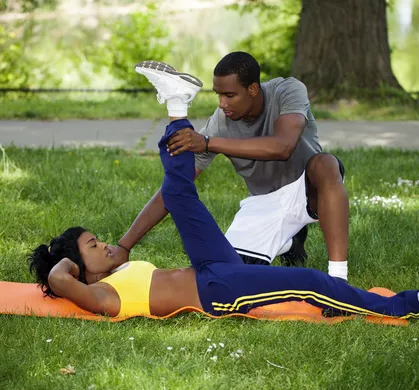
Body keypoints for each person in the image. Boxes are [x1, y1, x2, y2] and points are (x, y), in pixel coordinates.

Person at [28, 116, 419, 322]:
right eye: (92, 247)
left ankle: (176, 109)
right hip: (217, 290)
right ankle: (406, 307)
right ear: (83, 269)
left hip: (212, 266)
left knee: (178, 193)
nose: (103, 244)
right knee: (312, 283)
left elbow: (78, 269)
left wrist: (99, 258)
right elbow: (60, 279)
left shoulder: (111, 278)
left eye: (96, 239)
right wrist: (62, 263)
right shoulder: (100, 297)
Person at [112, 54, 351, 282]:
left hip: (306, 191)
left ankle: (338, 278)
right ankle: (290, 243)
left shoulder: (287, 90)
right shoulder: (220, 121)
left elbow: (283, 146)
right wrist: (125, 245)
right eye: (218, 95)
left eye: (229, 95)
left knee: (326, 164)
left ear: (253, 89)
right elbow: (176, 186)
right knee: (227, 275)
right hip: (264, 202)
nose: (222, 104)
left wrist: (207, 143)